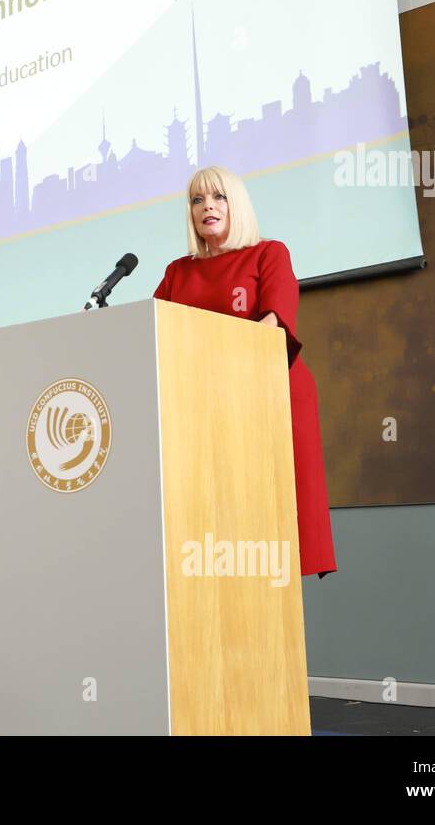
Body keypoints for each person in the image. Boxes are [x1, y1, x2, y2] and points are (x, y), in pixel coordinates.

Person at [153, 165, 336, 577]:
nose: (207, 207)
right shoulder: (177, 272)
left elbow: (274, 323)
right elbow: (153, 335)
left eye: (218, 197)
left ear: (237, 203)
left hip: (267, 397)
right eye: (197, 200)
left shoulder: (268, 253)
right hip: (205, 410)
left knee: (270, 531)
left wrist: (219, 364)